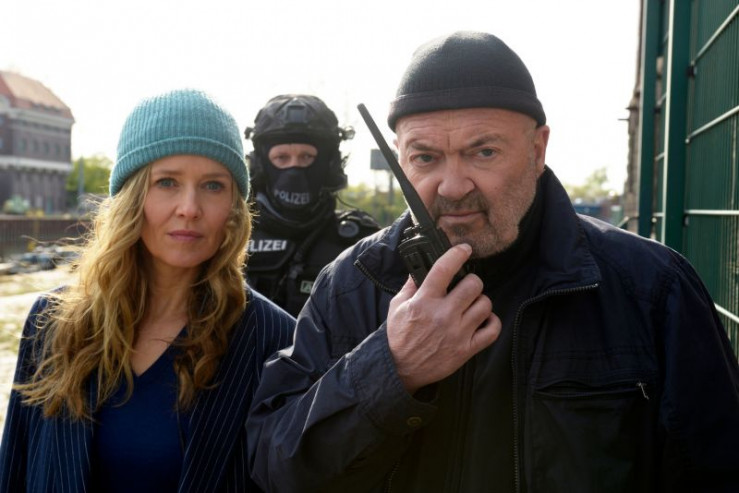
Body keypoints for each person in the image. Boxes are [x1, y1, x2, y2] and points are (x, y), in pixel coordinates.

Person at [246, 31, 739, 492]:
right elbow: (275, 466)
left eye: (483, 152)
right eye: (425, 158)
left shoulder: (650, 290)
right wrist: (391, 369)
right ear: (399, 157)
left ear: (537, 149)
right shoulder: (353, 283)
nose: (453, 186)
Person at [0, 89, 295, 492]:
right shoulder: (51, 322)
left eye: (213, 185)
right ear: (132, 196)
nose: (189, 207)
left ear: (234, 206)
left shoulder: (275, 341)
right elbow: (14, 472)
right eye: (167, 182)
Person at [244, 94, 379, 316]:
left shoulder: (361, 245)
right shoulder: (229, 238)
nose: (294, 169)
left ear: (330, 165)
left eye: (307, 157)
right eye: (281, 157)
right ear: (260, 166)